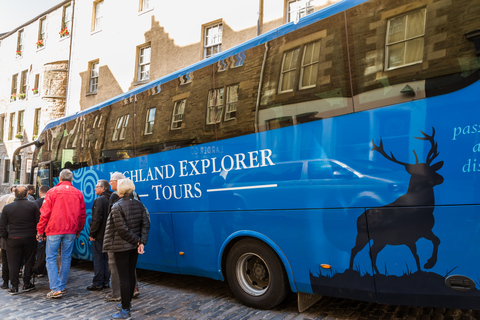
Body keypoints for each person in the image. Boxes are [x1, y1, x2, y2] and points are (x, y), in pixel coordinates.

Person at [103, 178, 150, 319]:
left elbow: (122, 229)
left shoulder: (117, 206)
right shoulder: (139, 204)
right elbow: (146, 224)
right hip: (133, 246)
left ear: (120, 190)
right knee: (130, 275)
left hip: (121, 246)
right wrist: (141, 242)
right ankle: (127, 303)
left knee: (124, 277)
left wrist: (138, 242)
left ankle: (125, 310)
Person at [36, 169, 86, 299]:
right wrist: (78, 230)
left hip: (54, 230)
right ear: (72, 179)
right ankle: (62, 286)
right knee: (66, 258)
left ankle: (56, 288)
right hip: (70, 230)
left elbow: (44, 213)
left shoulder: (52, 192)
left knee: (51, 258)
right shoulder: (78, 193)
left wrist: (40, 231)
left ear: (59, 178)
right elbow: (82, 215)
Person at [105, 172, 141, 302]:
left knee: (116, 267)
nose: (110, 183)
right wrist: (139, 240)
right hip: (134, 237)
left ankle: (118, 294)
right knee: (131, 269)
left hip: (119, 239)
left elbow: (114, 222)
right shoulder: (135, 196)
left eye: (112, 181)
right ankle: (134, 289)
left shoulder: (114, 197)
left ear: (118, 182)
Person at [0, 186, 40, 295]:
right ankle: (27, 283)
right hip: (29, 237)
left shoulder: (7, 208)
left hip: (13, 238)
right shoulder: (33, 205)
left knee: (13, 263)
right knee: (29, 260)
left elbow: (2, 226)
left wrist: (6, 237)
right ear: (27, 194)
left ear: (15, 195)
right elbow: (38, 221)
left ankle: (14, 286)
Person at [87, 179, 112, 291]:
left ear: (103, 188)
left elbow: (96, 219)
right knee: (107, 259)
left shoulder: (99, 200)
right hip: (109, 234)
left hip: (100, 234)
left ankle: (98, 283)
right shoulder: (111, 198)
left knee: (98, 258)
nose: (94, 188)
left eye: (97, 186)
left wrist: (92, 233)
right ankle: (106, 281)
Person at [34, 185, 49, 278]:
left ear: (40, 192)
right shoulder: (52, 202)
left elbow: (37, 219)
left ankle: (40, 270)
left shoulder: (35, 203)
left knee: (39, 251)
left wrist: (39, 233)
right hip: (49, 231)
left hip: (39, 231)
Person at [0, 193, 15, 290]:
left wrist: (4, 237)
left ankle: (5, 282)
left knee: (5, 262)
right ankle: (14, 282)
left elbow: (1, 228)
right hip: (13, 239)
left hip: (5, 240)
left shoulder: (3, 213)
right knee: (13, 262)